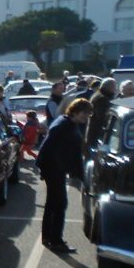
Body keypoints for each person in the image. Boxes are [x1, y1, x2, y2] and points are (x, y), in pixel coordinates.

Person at [35, 98, 92, 254]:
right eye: (85, 114)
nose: (86, 118)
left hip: (55, 168)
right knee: (60, 204)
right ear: (76, 111)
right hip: (54, 169)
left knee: (53, 203)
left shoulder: (67, 123)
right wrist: (42, 167)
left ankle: (48, 237)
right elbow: (47, 146)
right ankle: (56, 240)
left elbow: (72, 151)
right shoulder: (63, 125)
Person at [84, 77, 117, 156]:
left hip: (95, 134)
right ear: (110, 87)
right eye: (115, 86)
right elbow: (102, 117)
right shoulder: (102, 99)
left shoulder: (99, 95)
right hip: (97, 135)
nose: (116, 89)